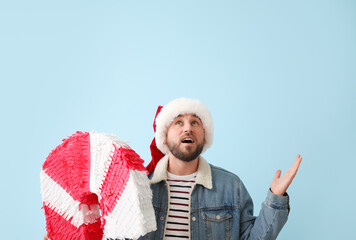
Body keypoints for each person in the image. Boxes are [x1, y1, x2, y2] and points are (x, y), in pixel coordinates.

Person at [44, 98, 302, 240]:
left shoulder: (230, 187)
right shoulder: (136, 188)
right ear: (164, 138)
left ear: (204, 137)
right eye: (178, 122)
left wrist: (275, 199)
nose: (187, 127)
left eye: (195, 122)